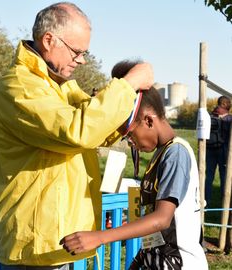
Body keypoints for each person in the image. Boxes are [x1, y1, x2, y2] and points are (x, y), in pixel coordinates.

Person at [0, 2, 154, 269]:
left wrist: (127, 112)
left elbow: (96, 128)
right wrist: (127, 85)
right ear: (49, 40)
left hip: (57, 242)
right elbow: (77, 131)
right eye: (77, 52)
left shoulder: (58, 87)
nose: (82, 60)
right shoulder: (19, 86)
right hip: (34, 248)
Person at [61, 60, 208, 270]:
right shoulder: (159, 156)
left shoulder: (176, 153)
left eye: (129, 135)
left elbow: (161, 219)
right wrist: (139, 259)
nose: (131, 143)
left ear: (148, 121)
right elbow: (155, 231)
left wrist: (100, 237)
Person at [205, 95, 232, 207]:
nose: (230, 105)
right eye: (229, 103)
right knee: (224, 177)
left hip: (209, 150)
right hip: (223, 150)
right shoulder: (229, 119)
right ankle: (224, 201)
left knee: (209, 176)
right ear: (224, 104)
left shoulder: (210, 116)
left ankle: (206, 201)